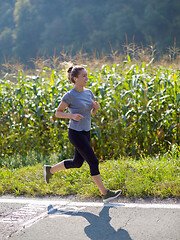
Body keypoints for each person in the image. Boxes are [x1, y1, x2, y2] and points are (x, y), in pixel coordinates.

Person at [44, 65, 121, 202]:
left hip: (86, 132)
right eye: (83, 76)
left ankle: (50, 171)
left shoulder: (89, 93)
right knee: (93, 161)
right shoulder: (69, 96)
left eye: (86, 75)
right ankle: (105, 193)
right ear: (75, 79)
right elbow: (58, 113)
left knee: (77, 162)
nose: (86, 78)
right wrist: (71, 116)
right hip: (75, 133)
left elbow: (90, 114)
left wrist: (95, 110)